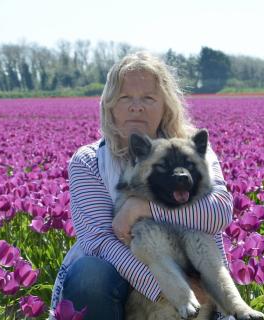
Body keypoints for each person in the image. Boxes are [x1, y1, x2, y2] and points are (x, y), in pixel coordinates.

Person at [49, 52, 234, 320]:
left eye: (148, 98)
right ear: (110, 105)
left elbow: (218, 213)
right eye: (125, 98)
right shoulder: (89, 161)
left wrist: (142, 208)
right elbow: (99, 242)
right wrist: (167, 289)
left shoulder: (192, 151)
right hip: (119, 280)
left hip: (192, 277)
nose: (137, 107)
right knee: (89, 274)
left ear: (166, 106)